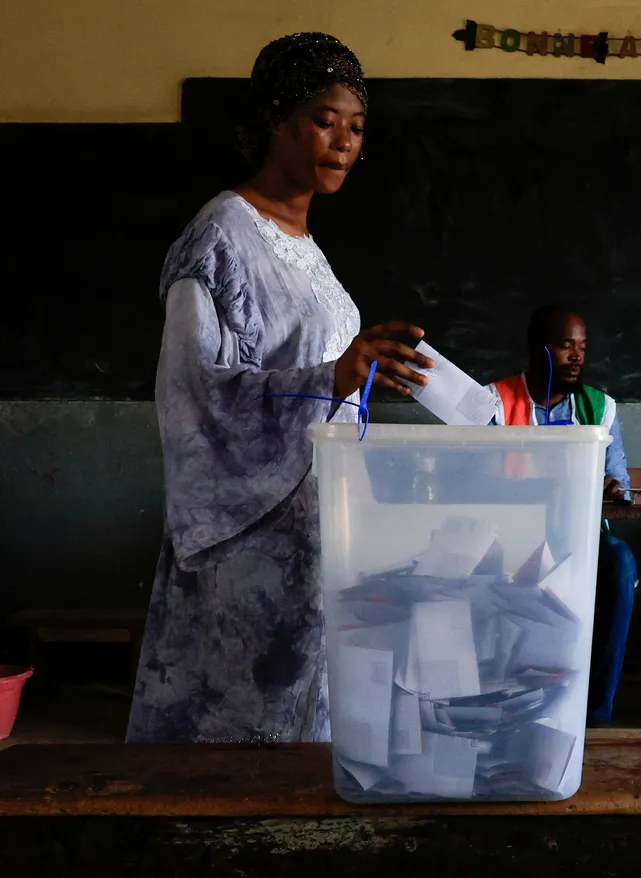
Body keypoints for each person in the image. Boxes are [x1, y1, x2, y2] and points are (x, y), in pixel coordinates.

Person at [127, 33, 435, 743]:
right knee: (238, 745)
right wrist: (333, 376)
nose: (345, 142)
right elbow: (193, 396)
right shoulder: (221, 236)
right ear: (277, 120)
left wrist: (361, 378)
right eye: (326, 121)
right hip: (247, 553)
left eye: (357, 128)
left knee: (307, 748)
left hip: (317, 540)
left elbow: (320, 377)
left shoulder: (308, 252)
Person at [486, 305, 637, 726]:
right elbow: (476, 480)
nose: (576, 357)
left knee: (620, 562)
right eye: (565, 346)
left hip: (579, 539)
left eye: (582, 348)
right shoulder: (496, 402)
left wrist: (613, 489)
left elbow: (620, 482)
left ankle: (596, 717)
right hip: (511, 541)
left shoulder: (600, 408)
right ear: (538, 348)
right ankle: (506, 711)